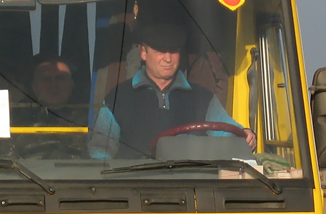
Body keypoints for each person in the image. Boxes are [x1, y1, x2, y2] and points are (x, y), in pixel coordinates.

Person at [90, 22, 256, 159]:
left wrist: (245, 135)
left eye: (173, 51)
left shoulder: (203, 98)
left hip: (193, 187)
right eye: (160, 51)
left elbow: (229, 132)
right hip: (137, 188)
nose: (168, 59)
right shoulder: (118, 98)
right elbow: (100, 149)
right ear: (143, 52)